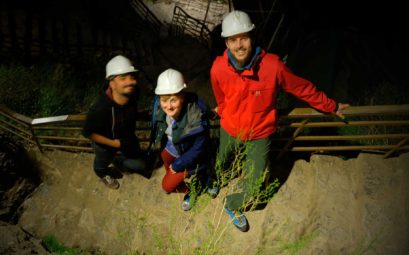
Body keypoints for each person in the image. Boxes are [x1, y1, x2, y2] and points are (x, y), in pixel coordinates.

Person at [210, 10, 350, 231]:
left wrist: (330, 106)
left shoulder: (272, 66)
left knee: (256, 187)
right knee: (221, 162)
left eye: (244, 38)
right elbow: (220, 95)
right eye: (233, 40)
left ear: (252, 38)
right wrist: (225, 111)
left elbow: (301, 88)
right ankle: (217, 180)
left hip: (259, 134)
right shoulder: (218, 68)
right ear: (226, 43)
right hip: (229, 127)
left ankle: (232, 204)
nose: (239, 45)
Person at [152, 68, 216, 211]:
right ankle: (189, 189)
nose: (168, 106)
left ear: (182, 96)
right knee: (169, 171)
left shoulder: (195, 119)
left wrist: (178, 165)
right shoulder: (158, 104)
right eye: (164, 100)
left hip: (188, 155)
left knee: (167, 186)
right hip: (170, 148)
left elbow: (198, 149)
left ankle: (203, 181)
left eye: (173, 100)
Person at [83, 55, 146, 189]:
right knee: (102, 162)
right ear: (112, 84)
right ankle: (102, 173)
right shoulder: (100, 108)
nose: (130, 82)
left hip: (127, 136)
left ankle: (121, 160)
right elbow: (88, 133)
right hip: (105, 144)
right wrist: (114, 144)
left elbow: (129, 109)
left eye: (132, 77)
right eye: (123, 78)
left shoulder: (133, 94)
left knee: (139, 162)